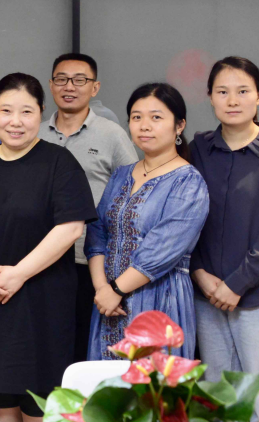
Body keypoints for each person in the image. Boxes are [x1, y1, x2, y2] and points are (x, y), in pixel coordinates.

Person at [0, 73, 96, 422]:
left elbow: (71, 228)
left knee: (39, 403)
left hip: (42, 300)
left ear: (41, 113)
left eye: (26, 111)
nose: (15, 121)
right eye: (6, 111)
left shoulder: (59, 162)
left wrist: (19, 274)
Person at [189, 56, 259, 422]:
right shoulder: (199, 148)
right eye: (222, 92)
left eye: (242, 91)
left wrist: (236, 284)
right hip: (208, 296)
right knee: (220, 407)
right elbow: (188, 219)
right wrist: (199, 272)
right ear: (210, 97)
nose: (232, 100)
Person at [85, 82, 207, 361]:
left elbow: (162, 250)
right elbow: (97, 233)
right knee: (106, 386)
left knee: (152, 385)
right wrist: (102, 289)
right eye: (136, 117)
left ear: (179, 126)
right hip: (108, 303)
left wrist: (116, 289)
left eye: (156, 117)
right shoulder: (121, 175)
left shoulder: (188, 182)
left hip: (159, 299)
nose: (144, 126)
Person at [39, 53, 138, 363]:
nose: (70, 86)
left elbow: (132, 195)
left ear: (95, 88)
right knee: (47, 348)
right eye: (62, 79)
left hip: (90, 263)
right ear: (51, 84)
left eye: (79, 80)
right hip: (39, 261)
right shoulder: (34, 133)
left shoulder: (112, 135)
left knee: (86, 348)